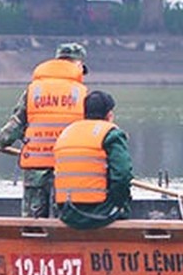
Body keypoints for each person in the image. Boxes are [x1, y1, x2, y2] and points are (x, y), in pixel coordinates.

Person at [0, 42, 88, 217]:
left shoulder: (33, 90)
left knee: (33, 221)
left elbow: (17, 122)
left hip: (35, 166)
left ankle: (30, 242)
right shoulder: (82, 93)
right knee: (63, 218)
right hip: (67, 167)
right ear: (78, 64)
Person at [53, 90, 133, 229]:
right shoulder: (111, 134)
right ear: (109, 115)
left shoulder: (66, 133)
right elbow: (122, 175)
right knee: (123, 198)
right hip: (98, 215)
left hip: (67, 214)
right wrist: (117, 203)